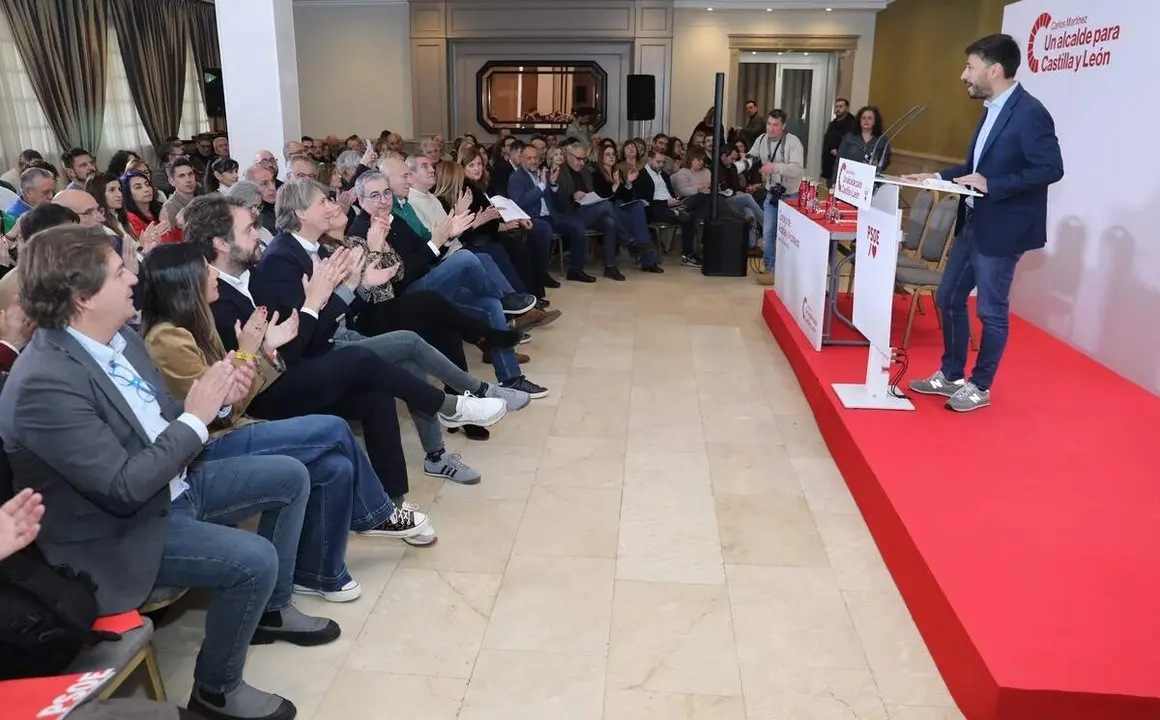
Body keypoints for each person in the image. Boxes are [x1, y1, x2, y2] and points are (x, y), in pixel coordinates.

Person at [0, 224, 337, 720]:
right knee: (253, 558)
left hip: (171, 484)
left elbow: (162, 415)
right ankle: (217, 689)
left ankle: (272, 608)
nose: (134, 279)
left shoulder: (119, 338)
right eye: (120, 272)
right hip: (118, 532)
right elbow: (123, 487)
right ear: (83, 297)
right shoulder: (44, 383)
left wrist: (219, 402)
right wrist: (197, 418)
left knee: (290, 476)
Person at [139, 242, 431, 602]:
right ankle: (376, 513)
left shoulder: (196, 323)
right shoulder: (168, 338)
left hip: (232, 427)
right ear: (185, 281)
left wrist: (259, 350)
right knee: (333, 428)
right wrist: (250, 351)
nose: (213, 273)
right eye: (205, 269)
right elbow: (219, 410)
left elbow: (233, 400)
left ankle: (319, 573)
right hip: (210, 446)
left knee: (336, 466)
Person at [905, 34, 1063, 412]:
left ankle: (980, 385)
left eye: (970, 67)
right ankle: (951, 375)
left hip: (1004, 229)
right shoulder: (991, 109)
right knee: (947, 297)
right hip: (974, 221)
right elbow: (975, 170)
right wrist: (935, 177)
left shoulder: (1030, 112)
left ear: (994, 70)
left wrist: (994, 185)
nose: (964, 75)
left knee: (991, 311)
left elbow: (1050, 168)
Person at [733, 108, 804, 285]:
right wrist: (743, 162)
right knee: (768, 232)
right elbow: (753, 156)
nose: (771, 129)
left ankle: (789, 272)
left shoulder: (793, 142)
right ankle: (770, 269)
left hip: (791, 195)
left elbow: (797, 169)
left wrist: (775, 167)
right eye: (769, 124)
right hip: (771, 193)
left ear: (783, 126)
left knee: (789, 236)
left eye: (775, 125)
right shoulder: (761, 139)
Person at [835, 106, 892, 180]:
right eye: (863, 118)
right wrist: (835, 180)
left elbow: (885, 161)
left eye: (869, 118)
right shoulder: (849, 137)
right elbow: (839, 160)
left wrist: (877, 167)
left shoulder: (882, 140)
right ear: (859, 121)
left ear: (875, 121)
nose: (866, 120)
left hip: (869, 179)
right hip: (849, 178)